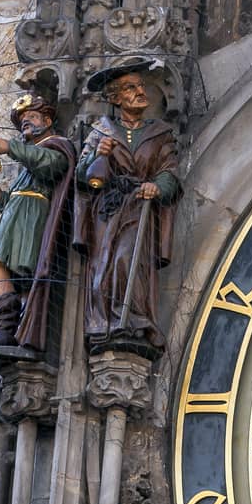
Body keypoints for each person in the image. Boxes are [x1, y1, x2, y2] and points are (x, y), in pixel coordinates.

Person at [75, 63, 181, 353]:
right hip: (107, 210)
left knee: (127, 257)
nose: (139, 92)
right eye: (130, 88)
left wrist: (157, 186)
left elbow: (169, 170)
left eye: (140, 86)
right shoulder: (100, 132)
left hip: (139, 206)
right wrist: (99, 155)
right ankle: (104, 321)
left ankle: (134, 318)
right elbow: (83, 177)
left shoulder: (160, 133)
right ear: (115, 98)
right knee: (104, 263)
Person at [0, 93, 76, 350]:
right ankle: (10, 330)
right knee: (3, 268)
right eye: (22, 121)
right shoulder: (29, 159)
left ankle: (14, 329)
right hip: (18, 220)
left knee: (0, 265)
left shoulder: (57, 145)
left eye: (31, 118)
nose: (26, 123)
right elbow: (25, 195)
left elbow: (52, 167)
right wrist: (1, 197)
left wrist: (9, 147)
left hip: (33, 223)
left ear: (47, 120)